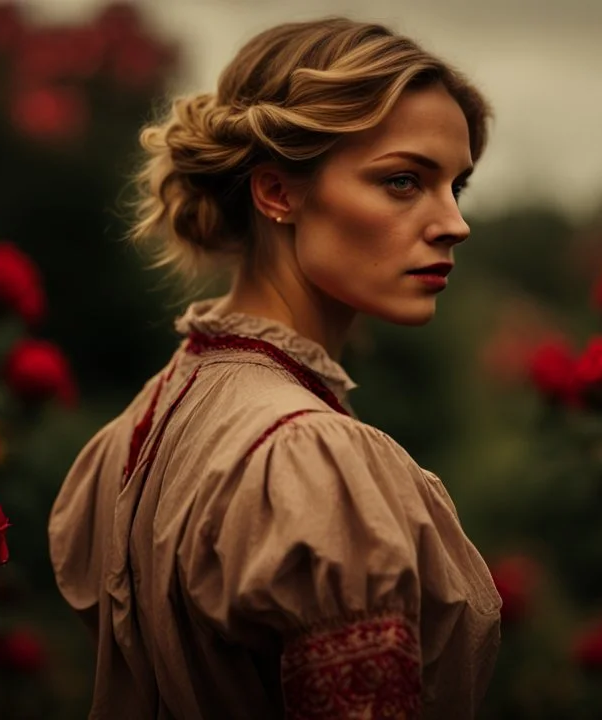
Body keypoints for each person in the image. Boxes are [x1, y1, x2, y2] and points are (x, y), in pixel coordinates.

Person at [49, 16, 503, 720]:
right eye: (404, 181)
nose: (454, 223)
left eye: (457, 186)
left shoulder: (129, 435)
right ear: (278, 193)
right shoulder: (314, 457)